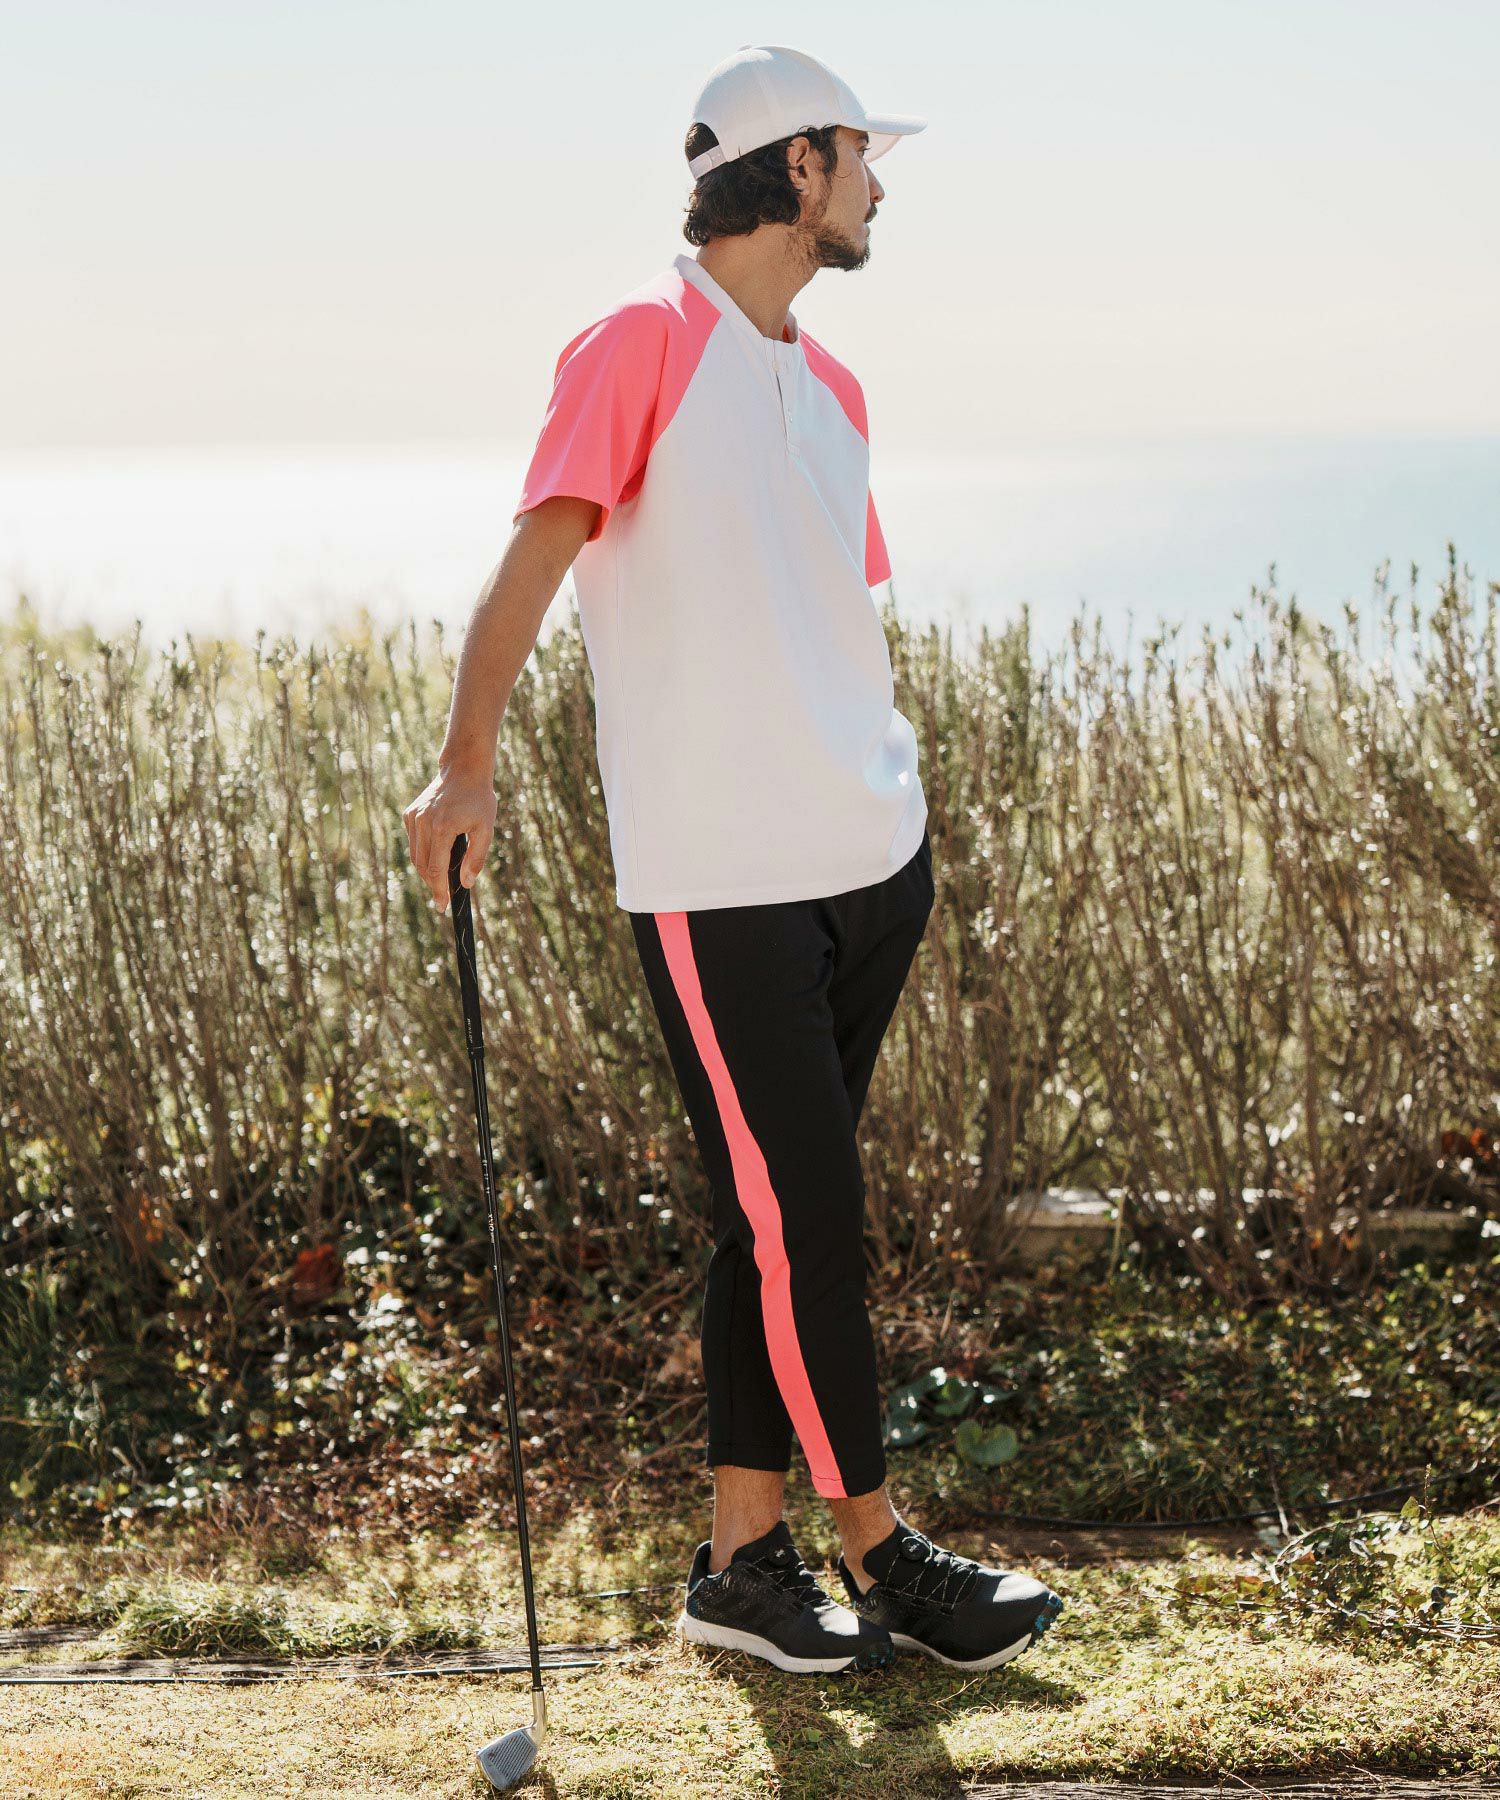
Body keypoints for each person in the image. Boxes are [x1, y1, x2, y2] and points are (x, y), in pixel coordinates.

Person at [403, 42, 1063, 1677]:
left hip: (871, 863)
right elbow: (536, 555)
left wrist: (899, 808)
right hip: (725, 883)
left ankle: (741, 1567)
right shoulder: (638, 340)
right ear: (796, 168)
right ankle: (885, 1559)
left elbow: (823, 610)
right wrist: (467, 760)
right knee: (808, 1218)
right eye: (861, 154)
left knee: (767, 1223)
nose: (881, 184)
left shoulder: (835, 391)